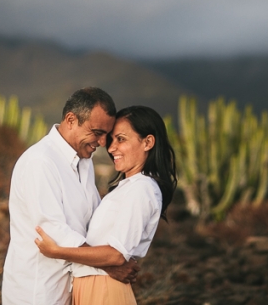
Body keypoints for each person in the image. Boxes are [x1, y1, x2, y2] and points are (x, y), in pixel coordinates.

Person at [2, 87, 140, 305]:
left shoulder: (84, 162)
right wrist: (110, 265)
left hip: (74, 288)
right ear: (70, 120)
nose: (103, 142)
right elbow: (52, 232)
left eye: (107, 134)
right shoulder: (40, 162)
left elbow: (91, 221)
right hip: (38, 291)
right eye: (97, 132)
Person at [35, 105, 177, 305]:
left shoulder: (141, 189)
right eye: (111, 140)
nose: (110, 148)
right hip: (93, 286)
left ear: (148, 142)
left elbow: (117, 255)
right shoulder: (128, 187)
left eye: (121, 139)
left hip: (104, 289)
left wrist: (57, 251)